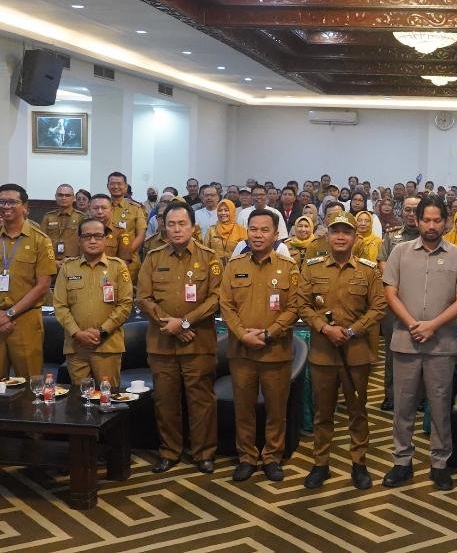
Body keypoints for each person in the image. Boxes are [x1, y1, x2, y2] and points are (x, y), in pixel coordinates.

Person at [381, 194, 457, 491]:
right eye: (426, 220)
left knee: (440, 406)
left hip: (441, 344)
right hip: (405, 341)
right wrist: (413, 324)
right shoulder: (400, 252)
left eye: (437, 220)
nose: (431, 225)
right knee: (403, 406)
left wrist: (432, 326)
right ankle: (402, 462)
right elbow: (390, 293)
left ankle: (439, 464)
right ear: (417, 220)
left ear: (445, 222)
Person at [300, 211, 386, 490]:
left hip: (356, 352)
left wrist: (351, 331)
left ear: (355, 237)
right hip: (323, 352)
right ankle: (320, 463)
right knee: (322, 412)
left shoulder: (368, 270)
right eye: (335, 231)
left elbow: (379, 307)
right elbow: (301, 304)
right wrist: (325, 329)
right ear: (327, 235)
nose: (340, 236)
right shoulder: (312, 268)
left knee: (357, 411)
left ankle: (359, 463)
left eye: (346, 232)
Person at [136, 201, 222, 475]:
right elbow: (143, 297)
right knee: (165, 401)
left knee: (201, 401)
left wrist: (184, 322)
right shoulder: (153, 257)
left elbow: (216, 298)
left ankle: (204, 453)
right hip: (162, 343)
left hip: (198, 342)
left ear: (193, 227)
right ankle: (169, 452)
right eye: (171, 224)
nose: (176, 229)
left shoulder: (209, 258)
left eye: (182, 224)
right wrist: (170, 324)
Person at [219, 209, 300, 483]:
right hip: (242, 352)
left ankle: (272, 457)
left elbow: (295, 307)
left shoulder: (288, 267)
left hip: (275, 351)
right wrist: (242, 335)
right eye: (253, 229)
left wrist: (269, 333)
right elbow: (225, 305)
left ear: (276, 235)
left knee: (276, 410)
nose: (258, 234)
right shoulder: (234, 266)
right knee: (244, 409)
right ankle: (247, 457)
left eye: (265, 230)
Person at [53, 218, 133, 387]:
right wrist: (77, 333)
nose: (92, 240)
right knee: (80, 398)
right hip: (76, 347)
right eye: (87, 236)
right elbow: (60, 306)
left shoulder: (118, 267)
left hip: (107, 346)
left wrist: (102, 332)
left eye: (98, 236)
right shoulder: (68, 267)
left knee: (108, 397)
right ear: (79, 240)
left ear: (105, 239)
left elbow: (125, 305)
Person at [0, 184, 57, 379]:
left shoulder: (40, 240)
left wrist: (9, 314)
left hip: (25, 320)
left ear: (25, 206)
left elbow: (42, 286)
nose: (6, 206)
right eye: (2, 202)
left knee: (29, 382)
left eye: (12, 202)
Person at [375, 195, 421, 411]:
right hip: (395, 301)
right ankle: (391, 396)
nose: (411, 214)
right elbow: (382, 264)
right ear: (401, 211)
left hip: (422, 301)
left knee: (422, 349)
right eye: (407, 209)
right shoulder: (392, 236)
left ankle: (421, 398)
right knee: (393, 350)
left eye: (416, 210)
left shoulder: (431, 236)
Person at [87, 194, 140, 283]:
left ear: (111, 210)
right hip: (85, 278)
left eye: (104, 208)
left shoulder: (121, 232)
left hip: (111, 280)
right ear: (89, 210)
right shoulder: (81, 231)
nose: (99, 212)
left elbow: (124, 261)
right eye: (95, 208)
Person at [40, 183, 84, 268]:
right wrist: (52, 261)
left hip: (74, 263)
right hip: (51, 263)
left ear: (73, 198)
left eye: (67, 195)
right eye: (60, 195)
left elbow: (84, 242)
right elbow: (41, 242)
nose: (63, 198)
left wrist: (76, 261)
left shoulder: (81, 217)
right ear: (55, 197)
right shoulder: (48, 217)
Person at [107, 172, 147, 259]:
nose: (116, 187)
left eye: (119, 184)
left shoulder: (135, 209)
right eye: (112, 184)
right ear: (107, 186)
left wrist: (124, 252)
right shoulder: (101, 207)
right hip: (105, 257)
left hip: (129, 259)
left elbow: (141, 235)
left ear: (125, 186)